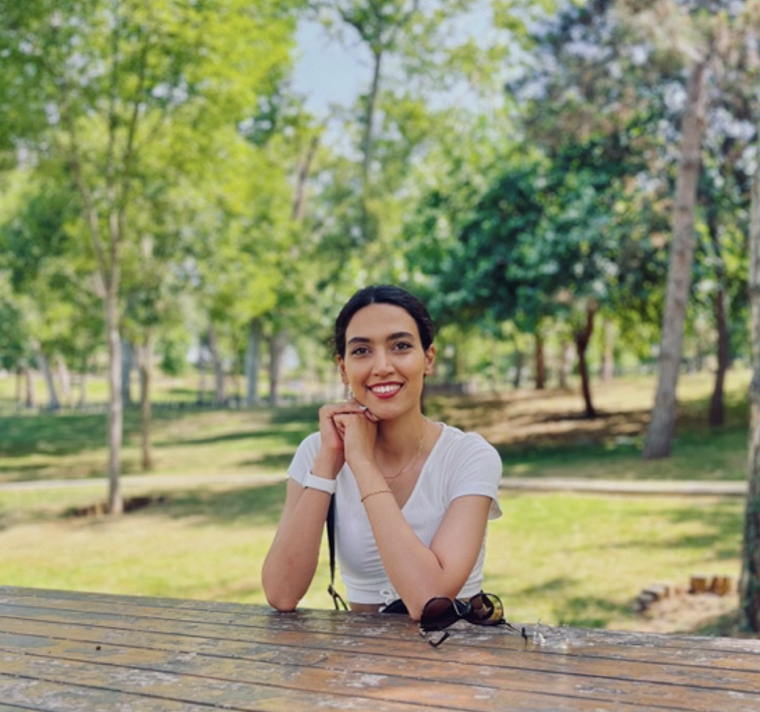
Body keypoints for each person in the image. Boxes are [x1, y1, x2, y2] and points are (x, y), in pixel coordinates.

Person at [261, 285, 503, 621]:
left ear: (428, 359)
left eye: (401, 346)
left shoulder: (469, 456)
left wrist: (361, 462)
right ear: (343, 367)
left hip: (456, 659)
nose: (382, 366)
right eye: (361, 351)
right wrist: (328, 463)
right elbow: (281, 593)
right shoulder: (316, 452)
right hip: (360, 664)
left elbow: (428, 600)